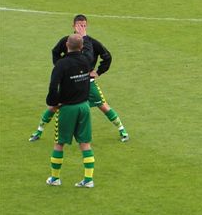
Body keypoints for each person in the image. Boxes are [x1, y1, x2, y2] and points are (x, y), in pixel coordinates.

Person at [29, 14, 129, 143]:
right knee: (54, 106)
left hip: (88, 82)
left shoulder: (92, 43)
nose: (81, 28)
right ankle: (38, 131)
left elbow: (107, 57)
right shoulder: (68, 41)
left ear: (87, 26)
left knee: (103, 105)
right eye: (79, 25)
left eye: (84, 25)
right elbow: (55, 52)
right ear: (73, 26)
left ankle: (122, 130)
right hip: (69, 83)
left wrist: (98, 72)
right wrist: (60, 67)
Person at [44, 34, 95, 188]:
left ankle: (55, 178)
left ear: (66, 44)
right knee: (85, 143)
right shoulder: (87, 60)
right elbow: (89, 51)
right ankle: (88, 180)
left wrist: (53, 102)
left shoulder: (61, 64)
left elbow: (53, 86)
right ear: (81, 47)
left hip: (67, 108)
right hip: (84, 107)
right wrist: (84, 37)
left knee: (59, 143)